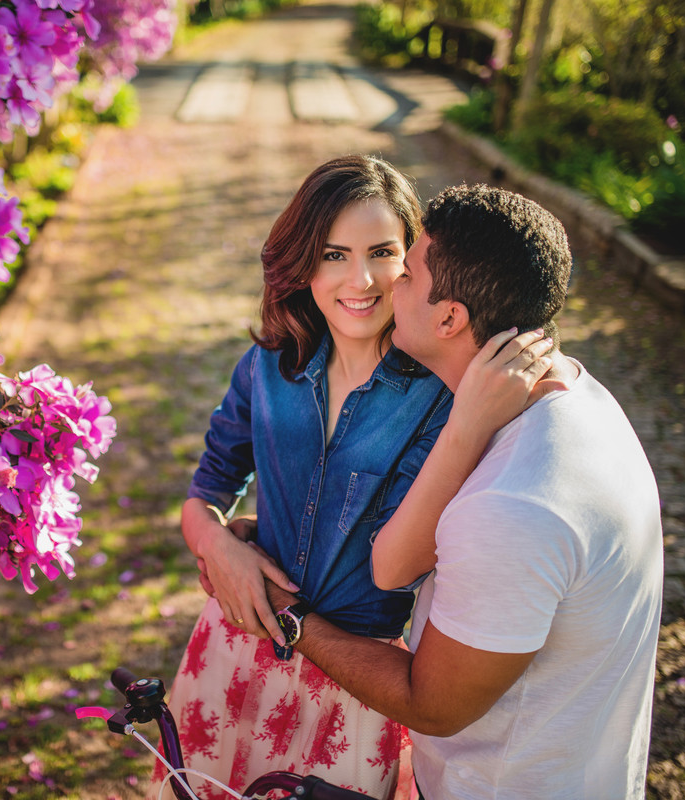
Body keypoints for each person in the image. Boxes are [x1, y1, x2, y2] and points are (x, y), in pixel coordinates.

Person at [153, 156, 541, 800]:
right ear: (303, 262)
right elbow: (204, 496)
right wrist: (219, 546)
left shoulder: (443, 396)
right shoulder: (267, 367)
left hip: (360, 682)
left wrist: (469, 420)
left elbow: (407, 561)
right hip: (235, 648)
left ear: (412, 261)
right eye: (334, 254)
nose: (360, 279)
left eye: (383, 252)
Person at [265, 183, 664, 799]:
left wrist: (288, 618)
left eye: (408, 272)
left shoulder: (513, 505)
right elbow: (392, 566)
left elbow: (431, 705)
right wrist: (464, 427)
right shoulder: (575, 394)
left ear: (450, 317)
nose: (388, 282)